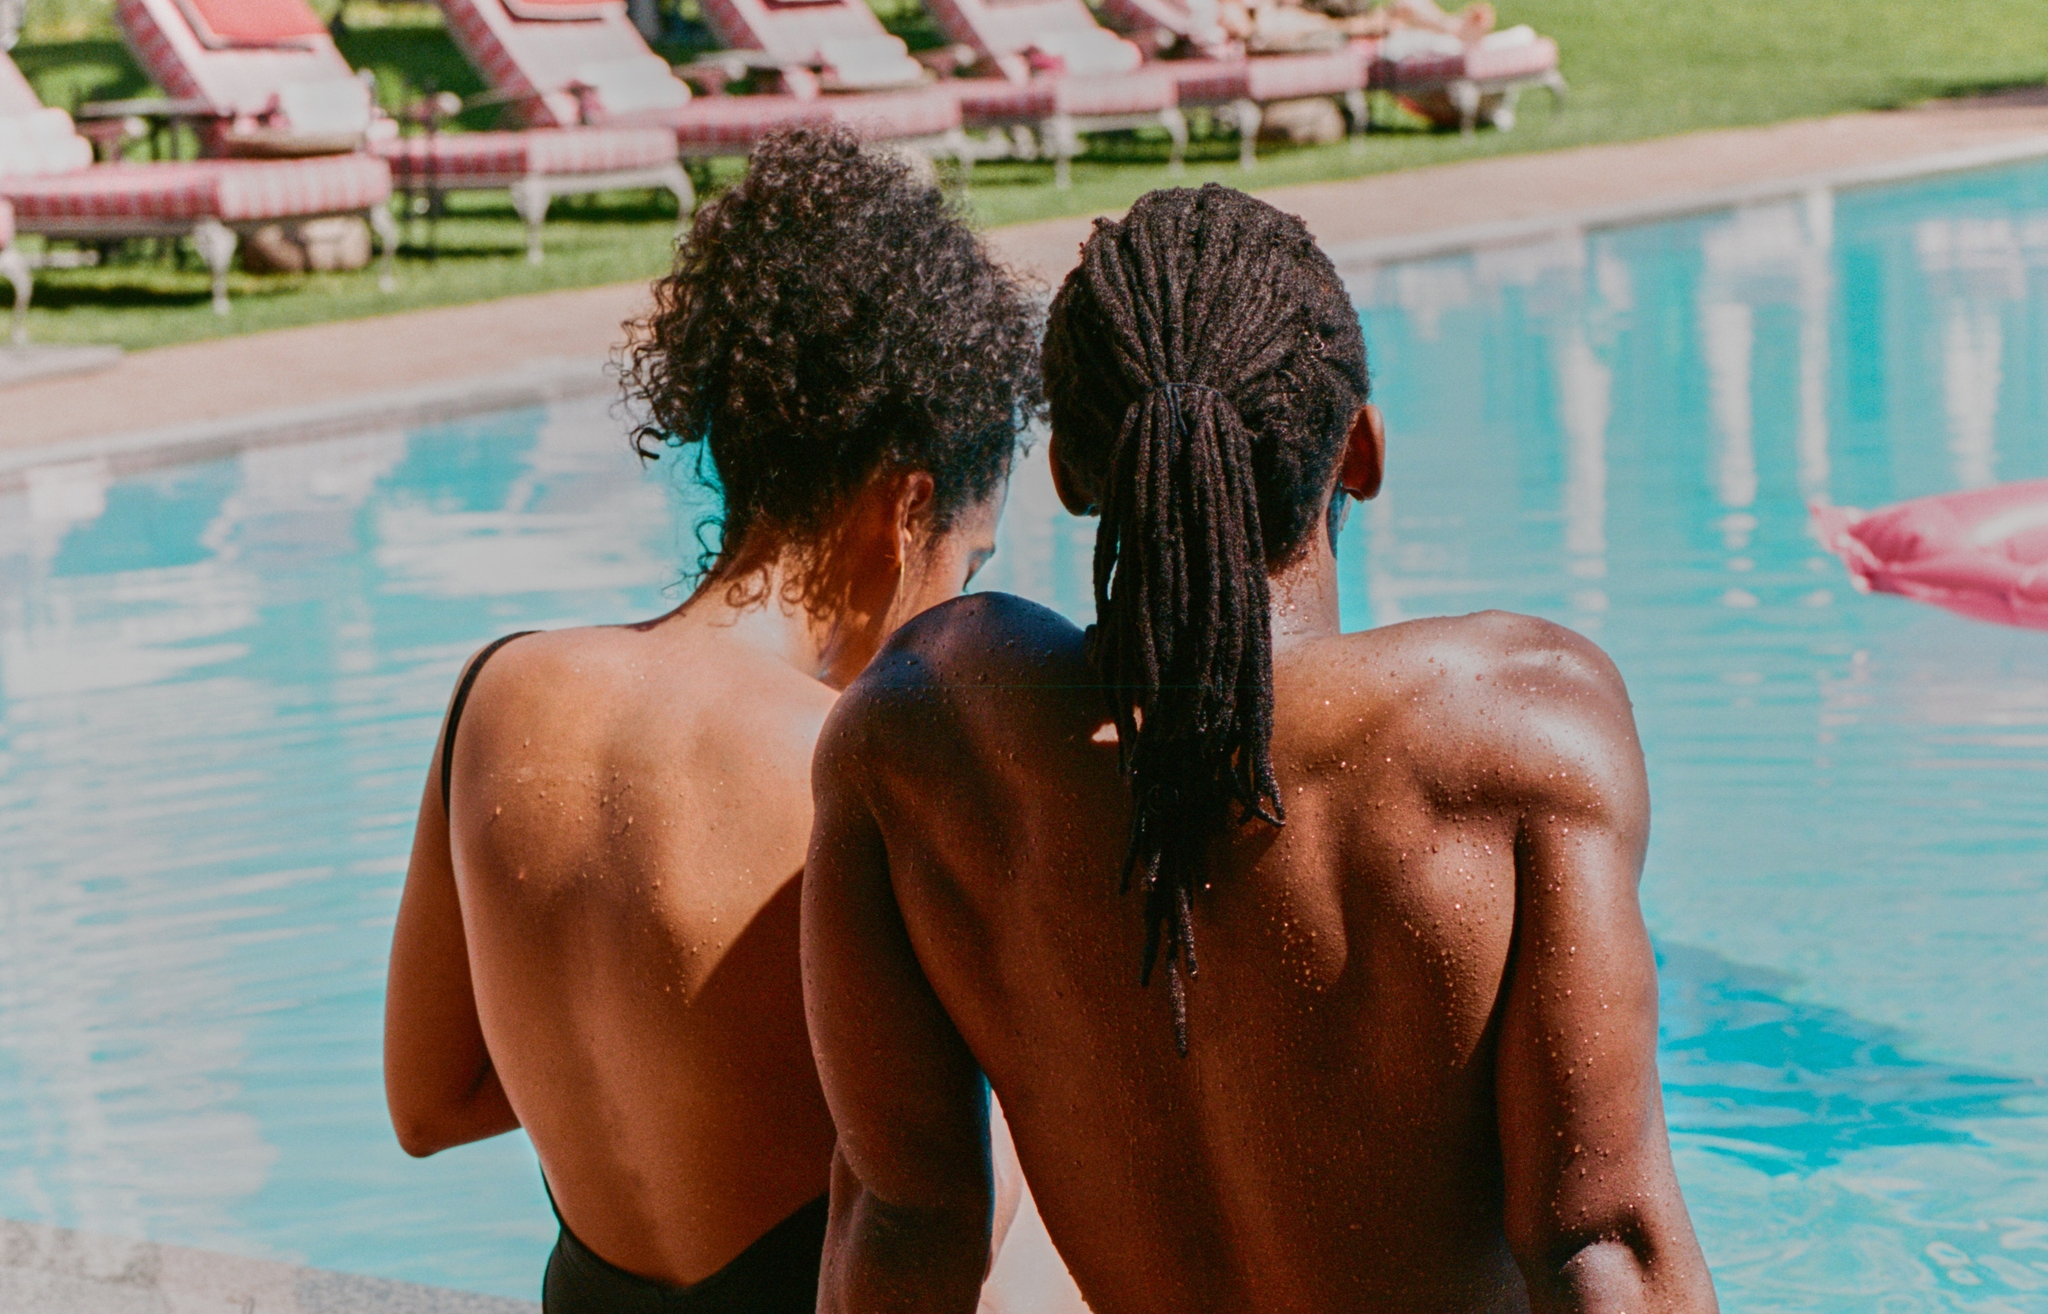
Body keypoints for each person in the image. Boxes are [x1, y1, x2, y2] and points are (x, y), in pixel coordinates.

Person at [804, 184, 1718, 1314]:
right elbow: (1602, 1247)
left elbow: (904, 1223)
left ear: (1075, 477)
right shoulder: (1521, 730)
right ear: (1363, 451)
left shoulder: (919, 738)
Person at [383, 129, 1043, 1313]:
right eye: (968, 558)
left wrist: (635, 1062)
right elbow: (948, 1214)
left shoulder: (497, 692)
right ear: (906, 509)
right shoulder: (855, 767)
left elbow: (427, 1103)